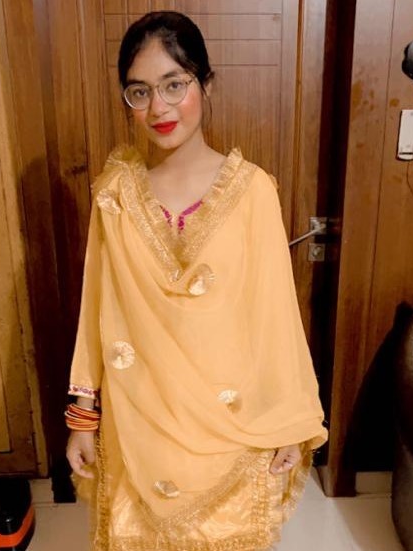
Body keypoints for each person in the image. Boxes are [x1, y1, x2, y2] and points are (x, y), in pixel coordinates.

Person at [65, 11, 327, 551]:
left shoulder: (251, 191)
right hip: (138, 423)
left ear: (205, 84)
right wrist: (82, 418)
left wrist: (290, 420)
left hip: (231, 421)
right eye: (139, 91)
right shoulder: (115, 196)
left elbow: (274, 314)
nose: (158, 108)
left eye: (173, 85)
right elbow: (97, 308)